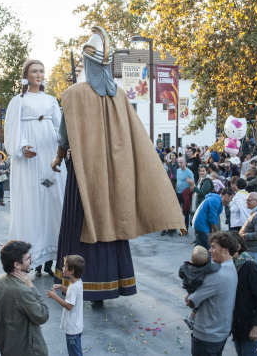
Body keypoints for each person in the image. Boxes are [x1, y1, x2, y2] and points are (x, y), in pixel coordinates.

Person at [51, 28, 185, 301]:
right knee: (111, 222)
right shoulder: (120, 94)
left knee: (82, 221)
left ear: (87, 62)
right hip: (114, 174)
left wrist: (58, 156)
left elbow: (65, 134)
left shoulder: (75, 94)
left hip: (84, 174)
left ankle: (76, 282)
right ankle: (109, 283)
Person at [5, 59, 67, 277]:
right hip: (30, 155)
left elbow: (61, 127)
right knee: (32, 200)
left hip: (50, 150)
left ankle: (57, 255)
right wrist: (22, 147)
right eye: (34, 71)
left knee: (54, 200)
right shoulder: (18, 101)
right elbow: (12, 128)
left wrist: (63, 149)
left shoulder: (51, 100)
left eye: (41, 71)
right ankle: (31, 255)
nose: (39, 75)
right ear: (26, 75)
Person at [0, 240, 50, 355]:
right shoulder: (22, 291)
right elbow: (43, 315)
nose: (31, 260)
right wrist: (31, 287)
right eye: (27, 258)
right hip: (26, 350)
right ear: (16, 264)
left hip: (7, 346)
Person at [186, 232, 239, 356]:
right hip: (220, 333)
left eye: (214, 247)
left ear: (225, 250)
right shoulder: (232, 269)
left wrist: (189, 296)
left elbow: (192, 301)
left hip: (207, 335)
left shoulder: (217, 275)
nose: (210, 250)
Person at [231, 233, 257, 356]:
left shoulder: (250, 266)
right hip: (239, 328)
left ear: (238, 247)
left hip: (250, 328)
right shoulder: (232, 267)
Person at [46, 255, 85, 356]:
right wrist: (61, 287)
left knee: (74, 353)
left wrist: (55, 297)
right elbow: (72, 295)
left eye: (65, 266)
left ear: (71, 271)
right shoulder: (78, 283)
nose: (63, 268)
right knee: (77, 350)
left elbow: (69, 306)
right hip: (77, 325)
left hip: (72, 327)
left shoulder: (73, 287)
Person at [178, 245, 220, 330]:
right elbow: (217, 267)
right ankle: (190, 317)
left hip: (189, 286)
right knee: (200, 303)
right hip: (198, 287)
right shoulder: (206, 268)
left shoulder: (184, 266)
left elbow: (180, 274)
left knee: (195, 299)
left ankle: (190, 317)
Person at [239, 192, 257, 265]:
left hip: (254, 251)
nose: (246, 202)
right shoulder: (256, 212)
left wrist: (244, 236)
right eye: (246, 200)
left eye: (249, 200)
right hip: (252, 250)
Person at [174, 156, 195, 232]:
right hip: (178, 193)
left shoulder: (189, 172)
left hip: (185, 194)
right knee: (175, 210)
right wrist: (175, 190)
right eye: (178, 162)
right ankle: (174, 228)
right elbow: (177, 182)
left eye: (181, 162)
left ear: (185, 163)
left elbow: (193, 184)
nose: (179, 164)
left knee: (185, 211)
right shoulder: (178, 171)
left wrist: (188, 193)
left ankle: (185, 229)